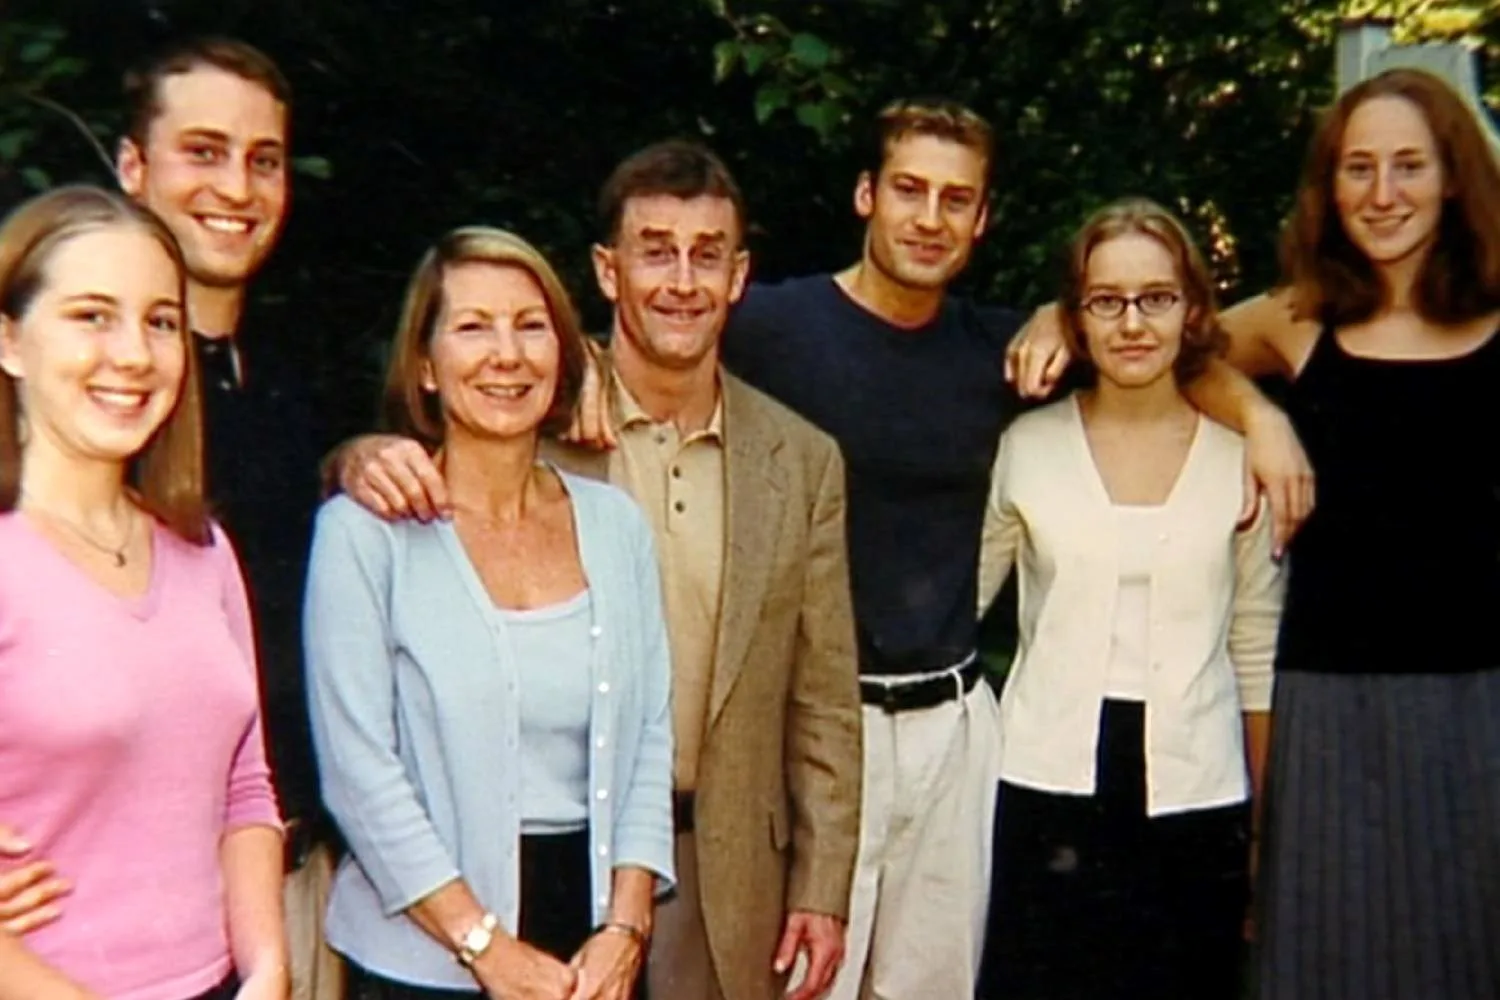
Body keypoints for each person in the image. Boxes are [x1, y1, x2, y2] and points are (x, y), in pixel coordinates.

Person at [1004, 68, 1500, 1000]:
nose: (1382, 194)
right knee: (1324, 963)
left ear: (1455, 175)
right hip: (1326, 713)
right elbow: (1168, 344)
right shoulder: (1299, 318)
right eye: (1358, 168)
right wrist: (1265, 418)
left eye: (1408, 166)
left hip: (1477, 712)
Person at [334, 141, 863, 1000]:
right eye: (656, 250)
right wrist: (355, 458)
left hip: (720, 865)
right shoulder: (529, 412)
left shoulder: (801, 461)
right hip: (521, 875)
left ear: (740, 276)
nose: (682, 282)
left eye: (708, 256)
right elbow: (418, 461)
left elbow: (825, 695)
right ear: (608, 272)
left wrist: (822, 884)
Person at [0, 37, 342, 999]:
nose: (133, 353)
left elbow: (245, 778)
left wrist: (267, 966)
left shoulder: (202, 546)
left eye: (158, 323)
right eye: (90, 316)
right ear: (10, 339)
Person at [304, 227, 674, 1000]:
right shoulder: (363, 535)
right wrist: (484, 945)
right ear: (425, 366)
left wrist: (628, 926)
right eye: (473, 326)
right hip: (425, 953)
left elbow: (648, 738)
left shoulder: (615, 526)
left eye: (530, 325)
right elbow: (358, 772)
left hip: (597, 954)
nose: (507, 354)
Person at [973, 198, 1281, 999]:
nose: (1133, 323)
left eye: (1157, 298)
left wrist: (1262, 827)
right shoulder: (1027, 448)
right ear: (1075, 318)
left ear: (1193, 309)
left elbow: (1254, 648)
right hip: (1046, 785)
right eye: (1106, 301)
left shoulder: (1240, 458)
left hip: (1198, 793)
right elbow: (956, 613)